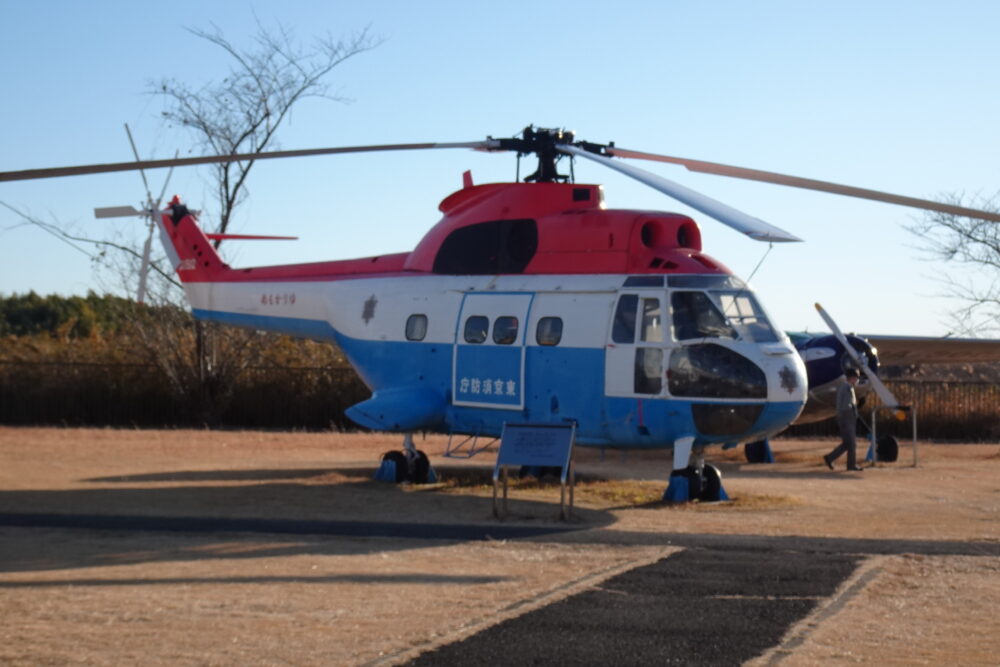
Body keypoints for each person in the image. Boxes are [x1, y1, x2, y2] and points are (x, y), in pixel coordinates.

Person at [824, 367, 864, 471]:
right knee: (851, 443)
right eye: (856, 377)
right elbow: (845, 405)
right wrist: (853, 411)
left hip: (847, 419)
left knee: (847, 443)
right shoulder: (846, 388)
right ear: (852, 377)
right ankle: (851, 465)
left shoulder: (848, 387)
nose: (857, 380)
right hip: (846, 419)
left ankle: (830, 458)